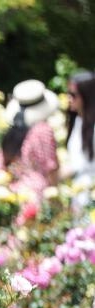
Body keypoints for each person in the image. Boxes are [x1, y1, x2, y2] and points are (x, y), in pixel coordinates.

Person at [0, 79, 59, 205]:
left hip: (10, 194)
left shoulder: (11, 132)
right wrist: (56, 199)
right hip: (34, 196)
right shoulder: (43, 130)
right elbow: (51, 168)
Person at [63, 70, 95, 208]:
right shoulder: (77, 121)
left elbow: (78, 164)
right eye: (68, 94)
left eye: (73, 95)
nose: (69, 98)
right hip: (78, 196)